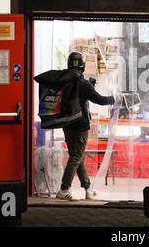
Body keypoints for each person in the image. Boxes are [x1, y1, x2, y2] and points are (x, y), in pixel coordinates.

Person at [56, 52, 121, 200]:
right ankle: (63, 189)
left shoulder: (64, 81)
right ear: (82, 66)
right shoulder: (82, 83)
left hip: (67, 124)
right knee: (76, 157)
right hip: (79, 126)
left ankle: (87, 189)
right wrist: (115, 99)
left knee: (78, 157)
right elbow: (100, 100)